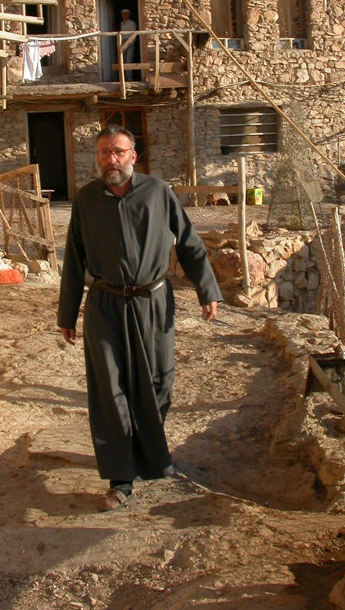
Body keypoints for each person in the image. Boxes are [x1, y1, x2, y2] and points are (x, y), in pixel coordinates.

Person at [58, 125, 222, 512]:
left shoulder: (157, 193)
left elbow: (189, 242)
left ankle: (146, 449)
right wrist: (68, 313)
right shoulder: (86, 200)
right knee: (111, 391)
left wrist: (208, 288)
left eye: (117, 152)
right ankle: (121, 477)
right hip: (105, 306)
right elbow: (73, 260)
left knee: (159, 382)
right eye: (103, 153)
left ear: (134, 155)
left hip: (153, 303)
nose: (110, 160)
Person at [119, 8, 138, 80]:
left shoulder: (132, 23)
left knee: (128, 61)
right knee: (122, 60)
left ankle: (129, 78)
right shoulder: (121, 23)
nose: (124, 15)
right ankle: (124, 78)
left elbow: (133, 35)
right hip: (122, 41)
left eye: (125, 14)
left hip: (129, 42)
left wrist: (129, 44)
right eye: (123, 14)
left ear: (128, 15)